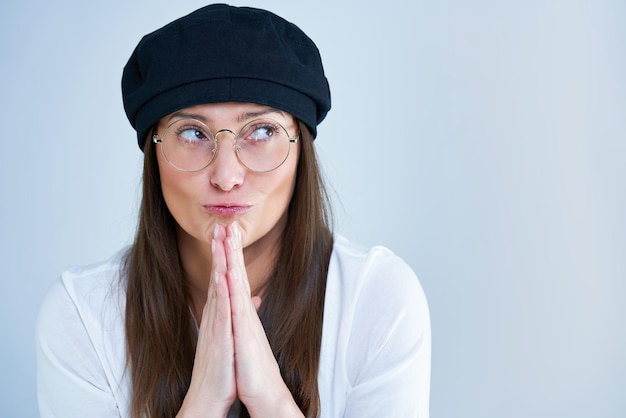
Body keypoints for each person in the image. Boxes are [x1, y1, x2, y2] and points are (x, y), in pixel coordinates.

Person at [36, 4, 431, 418]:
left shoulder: (377, 301)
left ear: (301, 149)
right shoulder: (82, 317)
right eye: (192, 133)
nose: (226, 175)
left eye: (262, 131)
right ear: (154, 151)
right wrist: (204, 401)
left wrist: (272, 401)